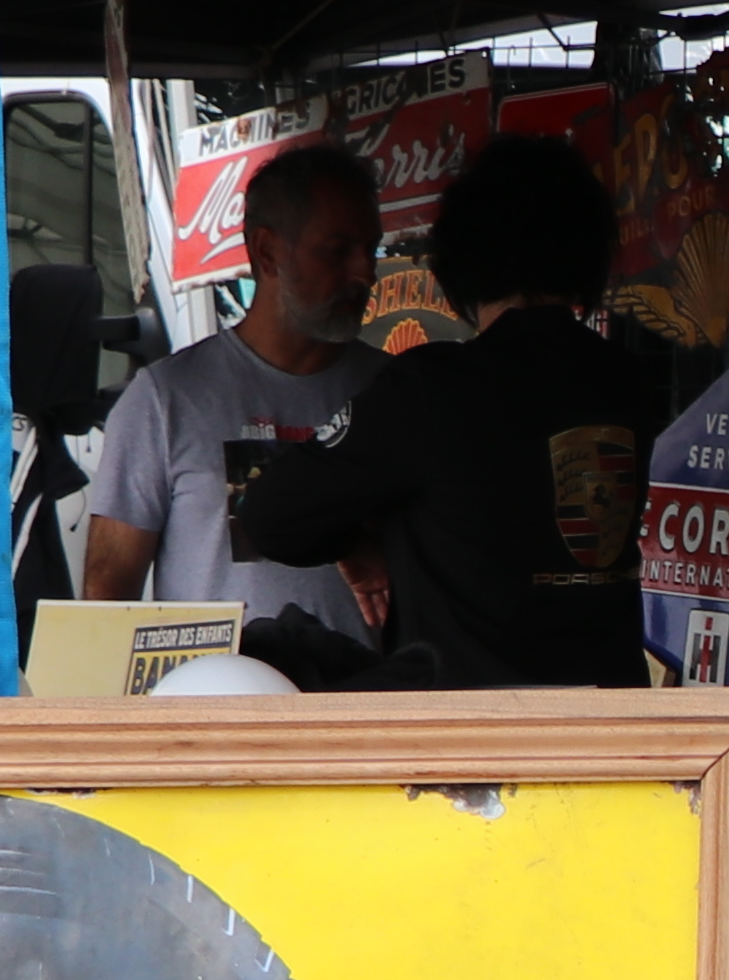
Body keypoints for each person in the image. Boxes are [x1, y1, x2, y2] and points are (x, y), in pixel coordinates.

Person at [231, 134, 674, 688]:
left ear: (465, 252)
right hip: (612, 722)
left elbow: (268, 516)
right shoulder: (624, 382)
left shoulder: (433, 388)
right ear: (587, 248)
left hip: (475, 737)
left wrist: (358, 545)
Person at [77, 149, 375, 650]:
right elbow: (107, 597)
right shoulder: (165, 400)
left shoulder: (393, 392)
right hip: (222, 713)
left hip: (373, 709)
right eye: (338, 250)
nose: (364, 272)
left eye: (373, 249)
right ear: (266, 252)